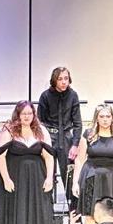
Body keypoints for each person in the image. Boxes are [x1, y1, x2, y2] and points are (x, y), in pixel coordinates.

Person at [0, 101, 55, 224]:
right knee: (18, 213)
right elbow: (0, 156)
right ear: (18, 114)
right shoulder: (9, 130)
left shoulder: (41, 131)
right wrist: (6, 178)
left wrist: (49, 178)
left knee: (36, 214)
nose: (27, 117)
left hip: (37, 178)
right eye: (24, 113)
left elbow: (49, 157)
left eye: (30, 113)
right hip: (15, 178)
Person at [72, 104, 113, 224]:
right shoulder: (88, 135)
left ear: (112, 118)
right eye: (102, 116)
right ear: (96, 118)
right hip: (91, 177)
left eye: (108, 116)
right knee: (90, 215)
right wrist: (75, 182)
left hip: (112, 179)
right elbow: (80, 160)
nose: (105, 119)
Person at [37, 67, 83, 206]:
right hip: (49, 137)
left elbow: (77, 123)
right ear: (54, 80)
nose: (64, 82)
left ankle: (73, 213)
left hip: (66, 138)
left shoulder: (73, 95)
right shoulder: (45, 96)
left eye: (66, 79)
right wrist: (42, 141)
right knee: (46, 175)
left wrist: (75, 145)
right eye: (60, 79)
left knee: (69, 177)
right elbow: (40, 121)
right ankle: (46, 212)